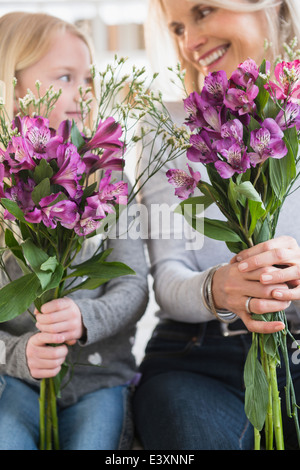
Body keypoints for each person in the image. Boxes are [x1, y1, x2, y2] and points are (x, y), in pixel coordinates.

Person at [133, 0, 300, 450]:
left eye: (203, 11)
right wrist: (218, 288)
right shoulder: (167, 125)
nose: (189, 42)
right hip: (198, 355)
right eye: (178, 27)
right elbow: (167, 278)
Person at [0, 12, 149, 450]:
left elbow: (134, 284)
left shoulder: (109, 177)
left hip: (101, 379)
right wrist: (17, 355)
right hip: (15, 380)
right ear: (10, 84)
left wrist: (86, 318)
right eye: (64, 77)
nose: (83, 93)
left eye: (88, 78)